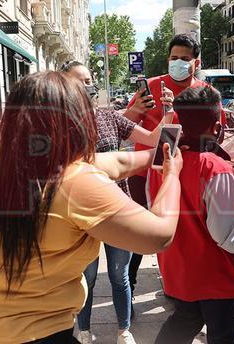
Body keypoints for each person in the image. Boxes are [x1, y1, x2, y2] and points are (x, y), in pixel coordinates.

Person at [0, 71, 183, 344]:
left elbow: (117, 162)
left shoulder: (16, 164)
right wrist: (172, 176)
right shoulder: (75, 182)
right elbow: (159, 235)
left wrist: (159, 155)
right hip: (27, 335)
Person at [148, 86, 234, 344]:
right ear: (217, 128)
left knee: (183, 321)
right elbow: (225, 235)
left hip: (179, 271)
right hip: (216, 278)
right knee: (224, 335)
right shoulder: (216, 168)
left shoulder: (164, 159)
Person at [60, 60, 174, 344]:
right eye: (80, 81)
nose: (87, 86)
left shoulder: (108, 116)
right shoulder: (58, 125)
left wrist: (168, 113)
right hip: (82, 213)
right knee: (86, 277)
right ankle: (84, 331)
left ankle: (124, 330)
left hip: (117, 206)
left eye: (88, 80)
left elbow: (151, 138)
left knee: (119, 275)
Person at [123, 34, 220, 298]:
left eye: (185, 59)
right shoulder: (151, 86)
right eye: (174, 58)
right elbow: (127, 126)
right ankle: (128, 283)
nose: (178, 62)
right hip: (145, 173)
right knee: (140, 232)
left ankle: (182, 283)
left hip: (188, 175)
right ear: (167, 59)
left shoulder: (205, 92)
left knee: (184, 231)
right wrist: (136, 111)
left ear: (196, 62)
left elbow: (215, 132)